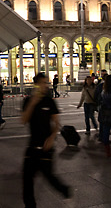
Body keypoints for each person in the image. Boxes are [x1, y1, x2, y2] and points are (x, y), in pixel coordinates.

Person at [20, 73, 71, 207]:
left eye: (46, 83)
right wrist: (33, 102)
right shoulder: (27, 101)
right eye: (43, 83)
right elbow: (23, 120)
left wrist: (52, 137)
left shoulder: (49, 101)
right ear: (35, 85)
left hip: (46, 147)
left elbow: (56, 123)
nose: (46, 86)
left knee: (49, 175)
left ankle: (64, 190)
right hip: (32, 145)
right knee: (27, 177)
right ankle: (30, 205)